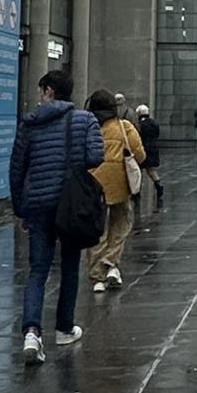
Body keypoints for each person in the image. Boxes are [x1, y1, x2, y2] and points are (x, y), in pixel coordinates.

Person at [9, 69, 103, 365]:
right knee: (70, 266)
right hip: (70, 204)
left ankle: (32, 333)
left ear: (48, 91)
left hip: (38, 204)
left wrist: (20, 208)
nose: (39, 95)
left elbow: (16, 168)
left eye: (41, 90)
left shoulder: (30, 123)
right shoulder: (84, 119)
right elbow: (94, 157)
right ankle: (64, 327)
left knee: (38, 270)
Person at [85, 88, 145, 293]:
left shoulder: (87, 126)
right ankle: (110, 265)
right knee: (120, 228)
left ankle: (97, 276)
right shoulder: (124, 126)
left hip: (93, 186)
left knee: (98, 232)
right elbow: (140, 155)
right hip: (120, 186)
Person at [136, 103, 162, 203]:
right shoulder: (154, 123)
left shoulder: (140, 124)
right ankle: (158, 183)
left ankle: (137, 189)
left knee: (139, 170)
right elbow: (157, 134)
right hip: (153, 148)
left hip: (143, 148)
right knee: (151, 169)